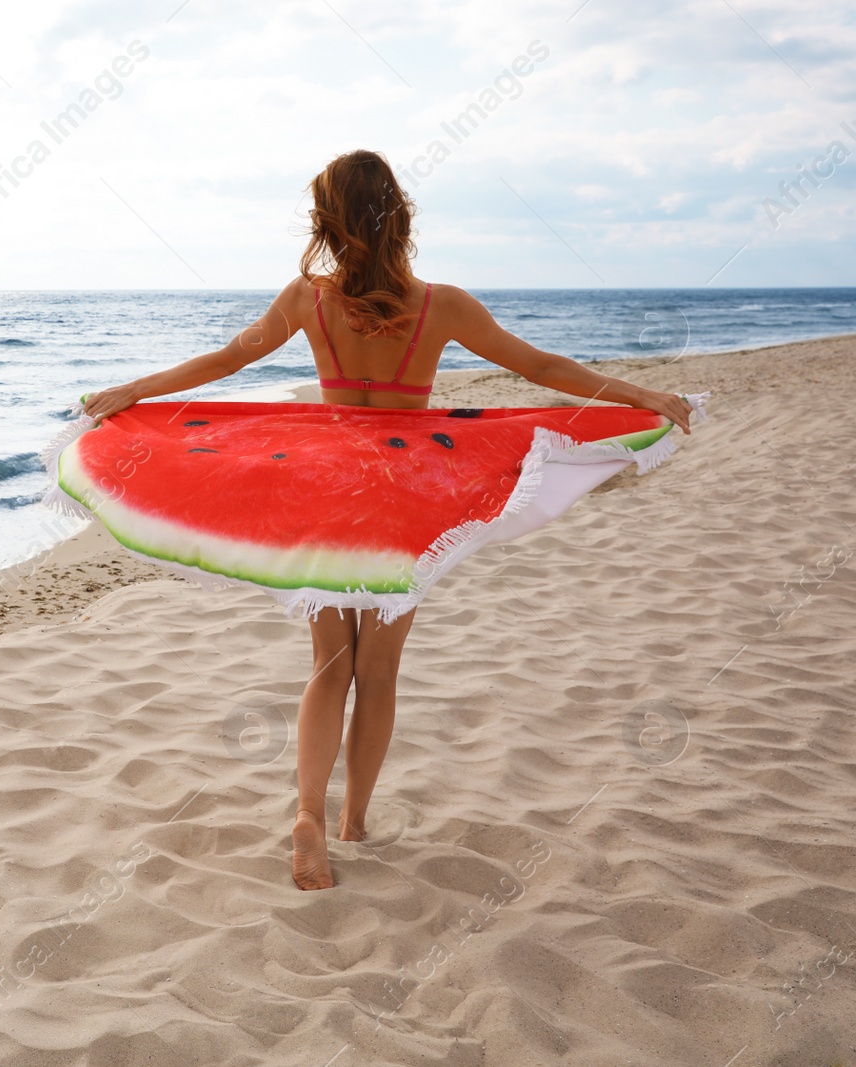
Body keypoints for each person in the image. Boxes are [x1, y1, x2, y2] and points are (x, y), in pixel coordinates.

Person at [79, 149, 695, 891]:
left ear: (328, 223)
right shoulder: (443, 304)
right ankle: (354, 821)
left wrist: (133, 391)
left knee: (327, 663)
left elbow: (226, 362)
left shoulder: (308, 299)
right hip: (407, 498)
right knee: (379, 669)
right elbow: (541, 369)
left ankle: (309, 810)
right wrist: (643, 396)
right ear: (399, 214)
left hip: (329, 490)